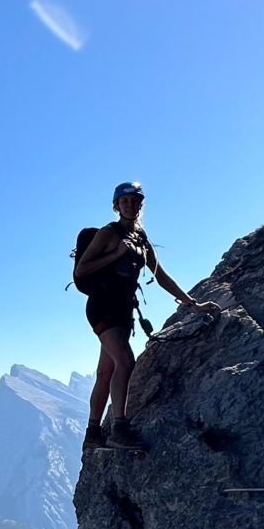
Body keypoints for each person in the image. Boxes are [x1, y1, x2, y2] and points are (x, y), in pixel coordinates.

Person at [75, 182, 218, 450]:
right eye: (124, 201)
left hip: (123, 310)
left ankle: (92, 434)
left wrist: (193, 303)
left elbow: (160, 275)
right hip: (103, 306)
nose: (130, 204)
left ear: (141, 204)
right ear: (116, 205)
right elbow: (82, 270)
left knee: (106, 371)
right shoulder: (108, 233)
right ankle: (119, 429)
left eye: (135, 200)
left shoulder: (141, 237)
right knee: (126, 362)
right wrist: (116, 253)